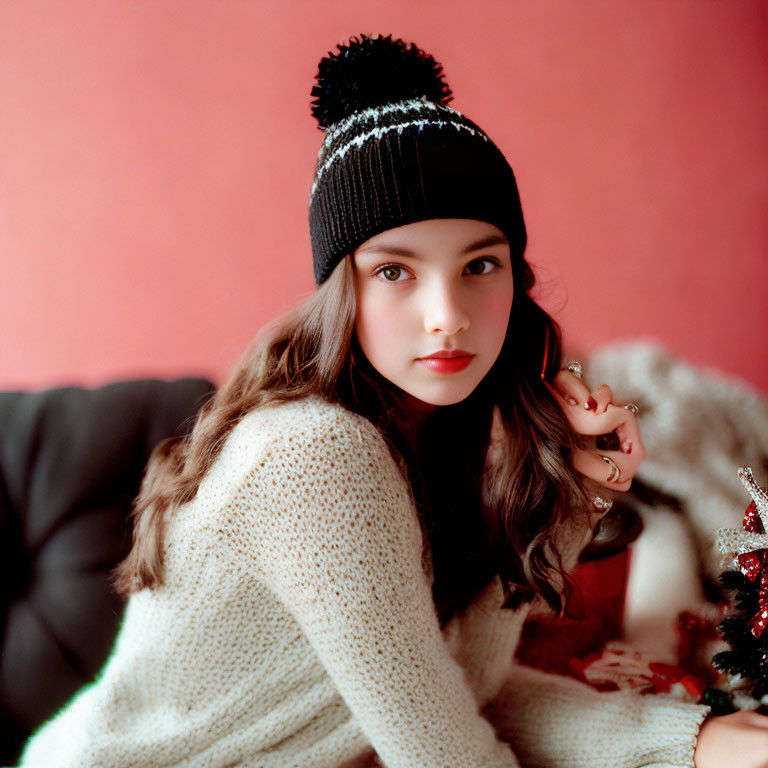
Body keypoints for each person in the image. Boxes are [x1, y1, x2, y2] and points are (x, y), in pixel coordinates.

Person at [18, 32, 766, 768]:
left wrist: (698, 742)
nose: (449, 313)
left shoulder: (437, 428)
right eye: (394, 272)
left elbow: (462, 689)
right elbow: (444, 753)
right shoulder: (315, 454)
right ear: (342, 290)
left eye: (480, 263)